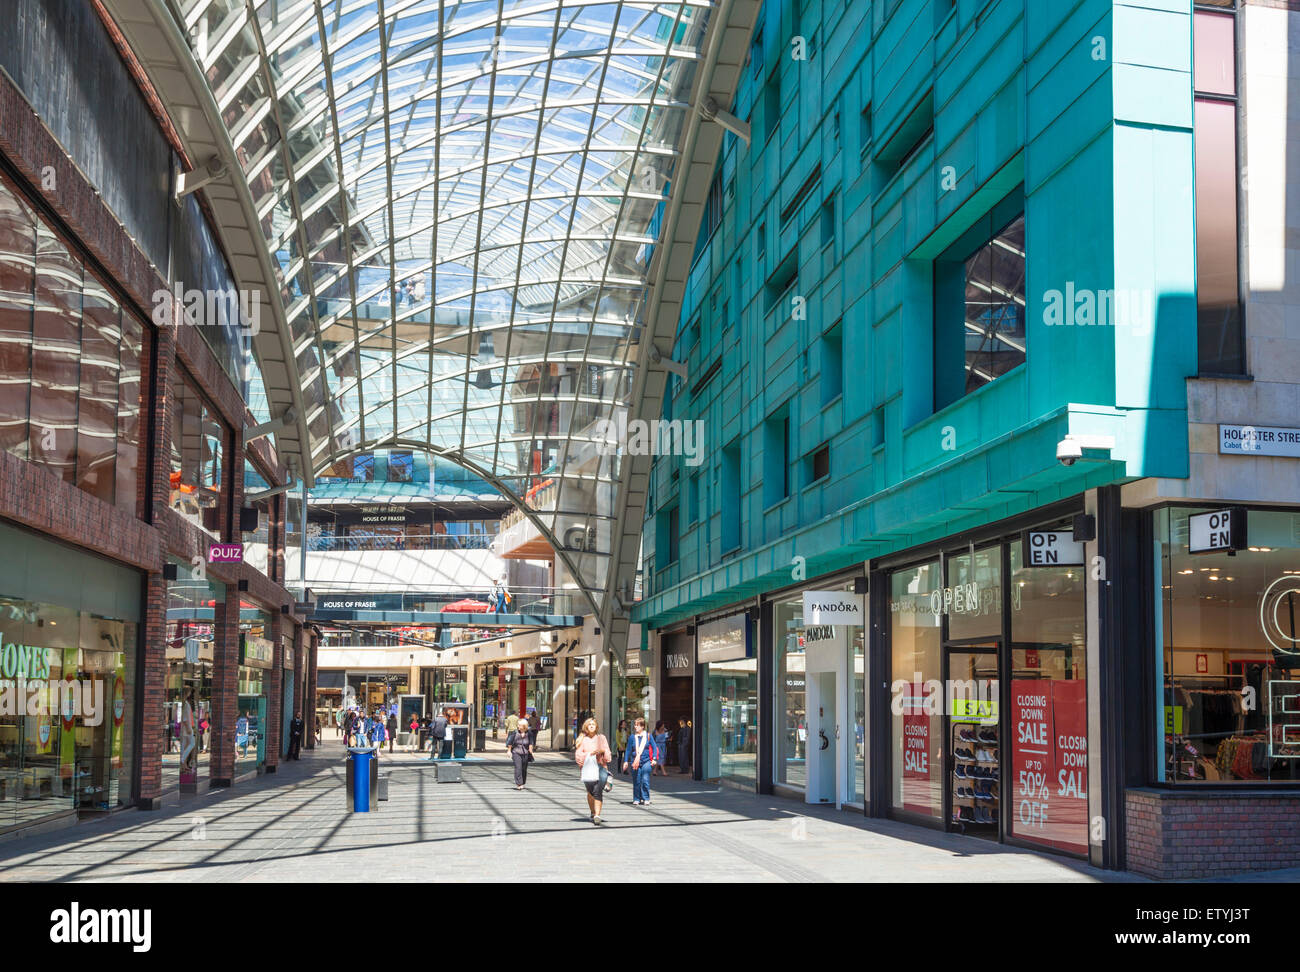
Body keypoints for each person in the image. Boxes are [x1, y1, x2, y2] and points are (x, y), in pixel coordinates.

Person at [574, 717, 613, 825]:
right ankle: (592, 812)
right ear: (586, 727)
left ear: (596, 727)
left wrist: (602, 751)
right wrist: (590, 754)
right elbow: (578, 756)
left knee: (597, 791)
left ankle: (597, 815)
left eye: (593, 724)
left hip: (601, 767)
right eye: (589, 724)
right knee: (590, 792)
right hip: (587, 769)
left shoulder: (602, 738)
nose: (591, 726)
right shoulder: (582, 739)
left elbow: (608, 755)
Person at [622, 717, 658, 805]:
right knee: (637, 780)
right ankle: (637, 798)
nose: (635, 727)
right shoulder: (632, 737)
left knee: (645, 779)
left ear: (642, 727)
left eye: (637, 725)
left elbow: (654, 747)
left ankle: (646, 798)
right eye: (635, 725)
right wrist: (626, 761)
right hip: (635, 762)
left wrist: (654, 758)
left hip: (646, 761)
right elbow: (628, 750)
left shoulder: (648, 736)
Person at [507, 717, 534, 789]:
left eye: (519, 725)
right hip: (516, 752)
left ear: (524, 726)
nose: (518, 726)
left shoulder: (529, 733)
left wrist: (531, 750)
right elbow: (509, 742)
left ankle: (523, 782)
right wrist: (509, 751)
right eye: (518, 725)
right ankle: (519, 784)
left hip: (525, 753)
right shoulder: (514, 732)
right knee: (518, 767)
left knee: (524, 768)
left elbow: (531, 742)